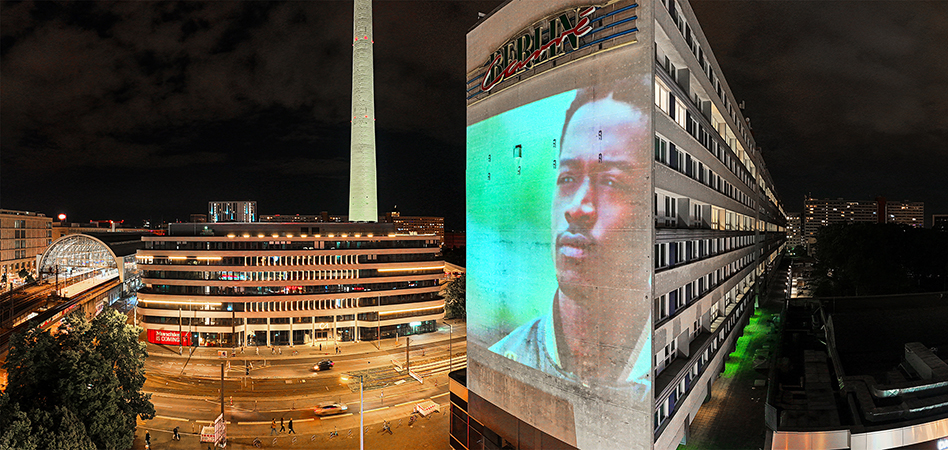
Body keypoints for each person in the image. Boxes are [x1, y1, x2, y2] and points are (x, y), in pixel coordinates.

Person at [489, 82, 651, 395]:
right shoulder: (506, 357)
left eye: (611, 182)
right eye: (567, 178)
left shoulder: (668, 356)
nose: (577, 208)